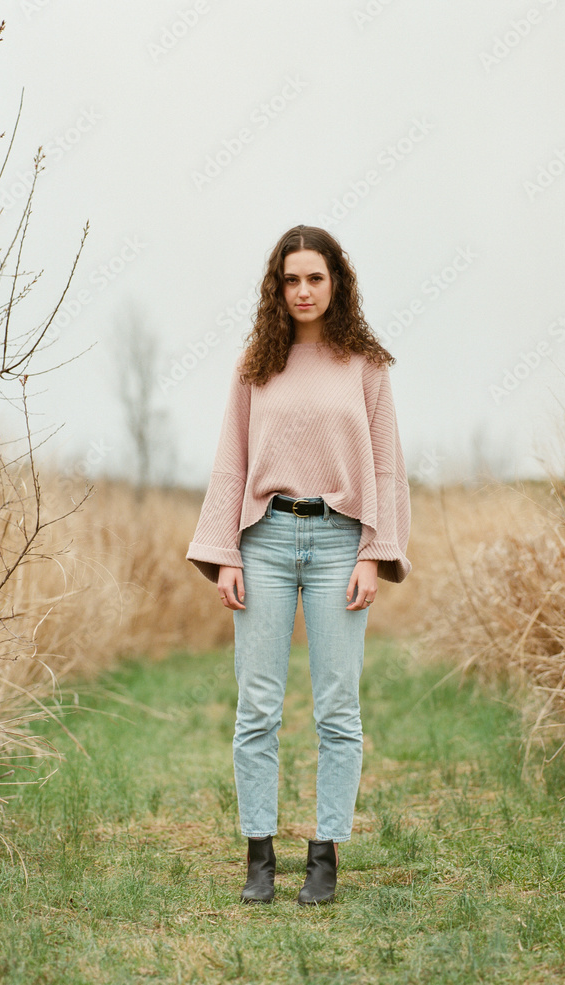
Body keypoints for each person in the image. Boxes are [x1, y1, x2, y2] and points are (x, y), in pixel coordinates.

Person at [186, 224, 411, 905]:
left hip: (341, 541)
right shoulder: (257, 362)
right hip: (266, 542)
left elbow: (386, 464)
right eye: (292, 279)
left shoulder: (366, 364)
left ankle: (325, 854)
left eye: (316, 277)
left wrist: (374, 552)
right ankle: (260, 854)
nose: (304, 290)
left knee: (338, 708)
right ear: (276, 288)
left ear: (336, 282)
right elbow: (231, 459)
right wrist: (225, 553)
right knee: (257, 706)